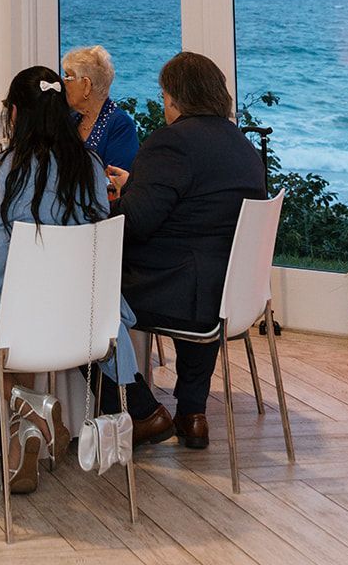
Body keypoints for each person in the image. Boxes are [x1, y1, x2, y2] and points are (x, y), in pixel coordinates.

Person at [0, 65, 130, 493]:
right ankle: (22, 454)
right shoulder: (90, 167)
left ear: (14, 114)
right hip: (82, 320)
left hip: (10, 323)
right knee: (26, 315)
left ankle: (28, 403)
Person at [103, 51, 267, 450]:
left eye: (164, 97)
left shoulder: (172, 142)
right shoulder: (243, 147)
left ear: (174, 97)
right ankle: (192, 413)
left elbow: (135, 222)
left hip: (176, 291)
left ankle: (141, 410)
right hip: (227, 293)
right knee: (196, 261)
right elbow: (194, 207)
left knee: (82, 295)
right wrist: (140, 183)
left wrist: (106, 203)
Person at [61, 45, 139, 171]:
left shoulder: (120, 125)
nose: (63, 83)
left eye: (68, 77)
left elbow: (115, 180)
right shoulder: (72, 118)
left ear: (86, 85)